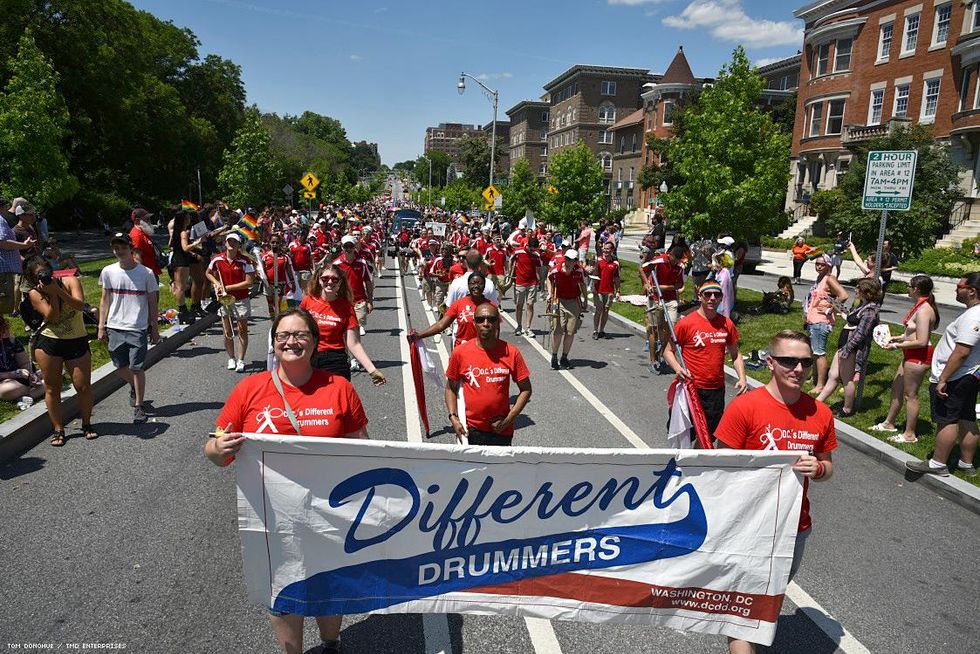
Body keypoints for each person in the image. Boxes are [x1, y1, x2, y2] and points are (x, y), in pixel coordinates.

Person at [206, 308, 368, 654]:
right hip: (271, 516)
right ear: (273, 342)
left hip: (330, 511)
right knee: (283, 590)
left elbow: (364, 451)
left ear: (315, 342)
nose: (291, 342)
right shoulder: (249, 389)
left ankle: (330, 643)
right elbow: (214, 448)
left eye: (300, 335)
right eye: (283, 336)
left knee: (327, 582)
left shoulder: (339, 388)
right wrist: (219, 447)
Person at [714, 329, 836, 654]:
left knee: (769, 597)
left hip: (795, 529)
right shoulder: (745, 408)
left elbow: (828, 466)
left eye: (805, 362)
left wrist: (819, 469)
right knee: (744, 608)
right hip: (749, 526)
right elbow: (718, 468)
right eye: (788, 360)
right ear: (770, 363)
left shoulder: (820, 413)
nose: (798, 369)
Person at [905, 273, 979, 477]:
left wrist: (943, 378)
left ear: (972, 290)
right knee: (966, 417)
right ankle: (966, 463)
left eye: (959, 286)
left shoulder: (974, 316)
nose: (956, 289)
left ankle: (938, 463)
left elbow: (962, 351)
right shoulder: (974, 313)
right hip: (970, 374)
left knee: (947, 419)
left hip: (957, 375)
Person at [23, 256, 96, 445]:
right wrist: (52, 294)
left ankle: (87, 424)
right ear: (32, 278)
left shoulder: (70, 281)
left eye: (45, 271)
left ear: (51, 269)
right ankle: (58, 429)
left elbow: (80, 306)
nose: (44, 276)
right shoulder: (34, 293)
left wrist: (57, 290)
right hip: (49, 343)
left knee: (83, 386)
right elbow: (53, 318)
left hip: (76, 340)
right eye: (38, 275)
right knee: (52, 388)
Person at [663, 280, 748, 440]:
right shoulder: (686, 323)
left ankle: (697, 464)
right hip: (691, 388)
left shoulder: (726, 324)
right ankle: (680, 463)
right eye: (707, 294)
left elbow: (736, 354)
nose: (712, 298)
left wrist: (742, 378)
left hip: (715, 391)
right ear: (699, 296)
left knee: (708, 436)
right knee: (685, 434)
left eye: (716, 295)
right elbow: (668, 351)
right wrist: (677, 368)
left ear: (722, 297)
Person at [444, 302, 532, 446]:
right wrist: (453, 417)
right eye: (480, 319)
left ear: (498, 322)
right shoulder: (460, 352)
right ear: (474, 323)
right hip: (471, 430)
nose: (486, 323)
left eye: (491, 319)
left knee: (500, 469)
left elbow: (526, 389)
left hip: (501, 430)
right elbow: (450, 388)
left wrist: (508, 420)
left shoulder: (511, 352)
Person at [97, 232, 161, 424]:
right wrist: (101, 326)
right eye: (116, 248)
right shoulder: (108, 271)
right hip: (115, 326)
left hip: (137, 327)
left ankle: (139, 406)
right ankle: (134, 386)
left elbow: (152, 303)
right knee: (120, 366)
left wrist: (154, 327)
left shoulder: (146, 273)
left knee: (136, 367)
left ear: (131, 249)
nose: (119, 251)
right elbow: (104, 300)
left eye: (123, 247)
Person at [873, 275, 940, 442]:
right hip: (910, 354)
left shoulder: (924, 310)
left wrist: (896, 346)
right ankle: (889, 423)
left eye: (909, 286)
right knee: (897, 388)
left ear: (916, 289)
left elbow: (922, 341)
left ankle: (910, 434)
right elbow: (911, 334)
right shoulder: (919, 306)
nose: (907, 288)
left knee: (911, 395)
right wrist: (896, 338)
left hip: (919, 356)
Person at [300, 263, 385, 383]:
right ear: (319, 280)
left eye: (335, 279)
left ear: (340, 283)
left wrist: (372, 370)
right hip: (308, 357)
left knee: (335, 399)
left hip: (335, 360)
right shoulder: (307, 301)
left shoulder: (346, 307)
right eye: (325, 279)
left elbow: (354, 343)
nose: (330, 282)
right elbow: (295, 328)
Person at [816, 279, 881, 417]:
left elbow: (861, 334)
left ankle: (847, 409)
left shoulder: (870, 311)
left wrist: (847, 349)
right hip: (844, 346)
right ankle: (818, 402)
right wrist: (833, 303)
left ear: (866, 292)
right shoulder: (862, 305)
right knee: (833, 375)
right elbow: (850, 317)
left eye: (858, 288)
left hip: (852, 349)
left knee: (847, 379)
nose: (856, 290)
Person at [206, 233, 254, 373]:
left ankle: (241, 359)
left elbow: (249, 282)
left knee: (242, 330)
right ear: (225, 243)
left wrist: (228, 288)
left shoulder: (245, 261)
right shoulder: (217, 259)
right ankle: (231, 357)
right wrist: (216, 284)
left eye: (234, 242)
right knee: (227, 331)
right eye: (229, 241)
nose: (231, 244)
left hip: (240, 299)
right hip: (224, 300)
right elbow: (208, 273)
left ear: (239, 245)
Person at [411, 271, 496, 350]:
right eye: (473, 283)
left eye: (480, 283)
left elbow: (496, 332)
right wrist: (419, 335)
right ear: (468, 285)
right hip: (462, 350)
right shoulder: (458, 304)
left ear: (484, 286)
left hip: (483, 351)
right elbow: (441, 325)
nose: (476, 286)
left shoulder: (491, 307)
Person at [802, 254, 848, 394]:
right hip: (813, 320)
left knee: (819, 352)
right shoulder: (820, 278)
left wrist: (830, 309)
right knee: (814, 352)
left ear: (829, 266)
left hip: (821, 321)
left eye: (822, 264)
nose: (819, 266)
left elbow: (843, 295)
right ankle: (815, 378)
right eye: (817, 263)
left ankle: (820, 385)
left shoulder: (829, 279)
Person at [640, 245, 685, 374]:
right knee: (654, 329)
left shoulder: (680, 267)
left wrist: (663, 287)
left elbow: (679, 284)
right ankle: (653, 360)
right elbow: (642, 269)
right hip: (655, 299)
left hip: (670, 300)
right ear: (670, 254)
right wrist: (647, 284)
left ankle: (661, 352)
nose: (674, 262)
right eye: (673, 259)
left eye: (677, 260)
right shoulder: (659, 260)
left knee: (671, 327)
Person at [546, 249, 588, 370]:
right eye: (567, 259)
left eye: (572, 260)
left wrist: (585, 299)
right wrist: (549, 293)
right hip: (558, 300)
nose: (569, 262)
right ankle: (554, 356)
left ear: (576, 261)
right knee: (557, 330)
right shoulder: (556, 269)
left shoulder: (579, 270)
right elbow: (549, 279)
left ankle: (564, 357)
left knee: (570, 331)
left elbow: (583, 284)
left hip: (573, 301)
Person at [333, 235, 374, 335]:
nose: (348, 249)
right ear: (342, 248)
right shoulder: (336, 264)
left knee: (358, 328)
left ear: (354, 247)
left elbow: (369, 282)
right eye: (345, 246)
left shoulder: (361, 263)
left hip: (359, 300)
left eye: (350, 246)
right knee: (343, 329)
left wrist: (370, 301)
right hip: (342, 299)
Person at [0, 314, 44, 401]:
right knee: (7, 390)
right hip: (6, 382)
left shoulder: (11, 341)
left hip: (21, 377)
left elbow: (25, 363)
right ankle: (33, 392)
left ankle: (26, 396)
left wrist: (31, 375)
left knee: (53, 373)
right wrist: (15, 374)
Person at [0, 204, 33, 316]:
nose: (8, 209)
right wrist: (24, 245)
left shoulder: (30, 228)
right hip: (6, 268)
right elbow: (4, 243)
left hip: (8, 268)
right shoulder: (3, 222)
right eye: (30, 214)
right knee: (4, 300)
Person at [169, 211, 201, 325]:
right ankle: (182, 311)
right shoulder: (183, 233)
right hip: (181, 261)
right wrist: (196, 243)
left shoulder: (176, 232)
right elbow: (185, 248)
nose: (189, 220)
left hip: (177, 259)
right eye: (187, 219)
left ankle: (183, 311)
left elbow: (170, 244)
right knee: (181, 287)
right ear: (183, 220)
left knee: (180, 286)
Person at [509, 236, 542, 336]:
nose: (533, 251)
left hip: (532, 283)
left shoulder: (536, 255)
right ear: (527, 245)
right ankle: (519, 326)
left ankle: (528, 328)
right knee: (519, 305)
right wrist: (511, 274)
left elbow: (539, 268)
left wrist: (540, 280)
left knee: (530, 305)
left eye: (535, 249)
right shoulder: (518, 251)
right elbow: (511, 260)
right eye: (531, 249)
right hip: (520, 282)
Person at [591, 241, 620, 339]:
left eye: (608, 249)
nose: (606, 250)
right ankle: (595, 330)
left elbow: (616, 278)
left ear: (612, 250)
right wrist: (593, 286)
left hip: (609, 290)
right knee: (598, 310)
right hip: (598, 289)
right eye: (605, 248)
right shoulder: (597, 260)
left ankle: (601, 330)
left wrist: (618, 290)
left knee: (606, 310)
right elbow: (592, 272)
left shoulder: (615, 263)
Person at [129, 208, 162, 279]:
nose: (149, 221)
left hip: (151, 271)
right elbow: (137, 257)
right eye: (147, 219)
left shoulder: (142, 232)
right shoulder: (137, 235)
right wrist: (141, 277)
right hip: (146, 275)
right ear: (137, 221)